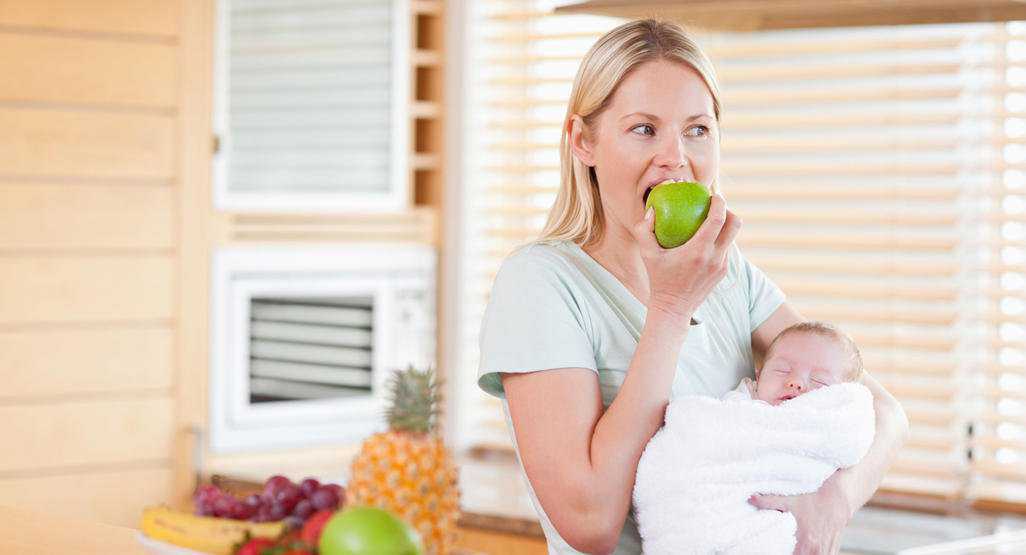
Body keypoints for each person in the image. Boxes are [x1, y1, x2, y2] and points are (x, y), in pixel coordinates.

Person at [476, 18, 909, 555]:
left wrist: (831, 504)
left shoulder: (727, 275)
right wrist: (671, 307)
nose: (675, 157)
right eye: (644, 129)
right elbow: (589, 522)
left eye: (697, 130)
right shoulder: (540, 284)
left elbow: (885, 411)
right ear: (584, 141)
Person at [633, 321, 875, 553]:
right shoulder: (736, 409)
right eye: (782, 370)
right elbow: (694, 441)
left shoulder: (829, 428)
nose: (795, 382)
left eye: (819, 381)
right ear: (758, 377)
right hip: (703, 520)